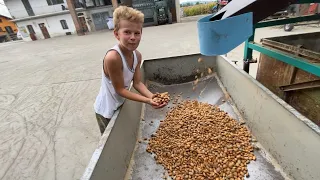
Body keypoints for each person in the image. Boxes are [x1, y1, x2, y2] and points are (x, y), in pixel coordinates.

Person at [94, 6, 167, 135]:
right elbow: (120, 89)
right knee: (111, 139)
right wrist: (148, 101)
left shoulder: (137, 56)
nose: (133, 37)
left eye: (137, 33)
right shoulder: (113, 58)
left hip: (119, 103)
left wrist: (153, 97)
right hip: (106, 109)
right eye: (127, 32)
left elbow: (137, 83)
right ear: (117, 34)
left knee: (122, 133)